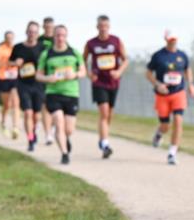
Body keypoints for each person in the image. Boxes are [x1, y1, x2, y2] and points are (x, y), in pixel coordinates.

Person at [37, 25, 85, 165]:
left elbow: (83, 72)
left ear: (66, 36)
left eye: (63, 35)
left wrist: (74, 74)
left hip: (71, 93)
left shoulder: (74, 53)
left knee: (69, 129)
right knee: (58, 121)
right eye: (57, 35)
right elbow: (38, 75)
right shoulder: (47, 54)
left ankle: (65, 138)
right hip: (53, 93)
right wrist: (48, 78)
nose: (60, 38)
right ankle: (64, 153)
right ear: (54, 36)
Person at [83, 14, 128, 159]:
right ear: (97, 27)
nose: (103, 29)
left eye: (106, 26)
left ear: (109, 27)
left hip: (113, 82)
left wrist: (119, 71)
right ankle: (105, 145)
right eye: (101, 26)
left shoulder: (116, 41)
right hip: (99, 82)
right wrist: (89, 74)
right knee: (104, 112)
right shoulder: (91, 43)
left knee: (109, 114)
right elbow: (82, 61)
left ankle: (102, 138)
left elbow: (126, 59)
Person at [146, 30, 194, 165]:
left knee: (178, 120)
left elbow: (187, 70)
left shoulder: (182, 55)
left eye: (174, 39)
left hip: (178, 93)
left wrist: (190, 84)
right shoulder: (158, 56)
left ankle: (172, 153)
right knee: (165, 125)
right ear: (165, 39)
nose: (172, 41)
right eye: (170, 39)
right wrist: (157, 84)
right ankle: (159, 133)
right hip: (162, 95)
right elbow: (148, 73)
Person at [10, 21, 46, 152]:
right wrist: (15, 62)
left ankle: (34, 131)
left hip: (38, 84)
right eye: (30, 32)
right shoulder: (18, 47)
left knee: (36, 116)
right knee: (27, 113)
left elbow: (47, 64)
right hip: (23, 84)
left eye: (35, 32)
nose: (32, 34)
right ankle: (30, 139)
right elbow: (10, 62)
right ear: (26, 32)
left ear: (38, 34)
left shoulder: (42, 48)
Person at [0, 30, 21, 139]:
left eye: (11, 37)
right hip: (3, 77)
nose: (10, 39)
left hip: (15, 78)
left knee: (16, 103)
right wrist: (10, 63)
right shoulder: (0, 50)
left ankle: (15, 127)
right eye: (8, 37)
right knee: (7, 105)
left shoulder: (17, 49)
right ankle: (2, 121)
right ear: (5, 38)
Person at [39, 17, 57, 145]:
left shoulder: (59, 39)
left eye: (51, 26)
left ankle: (55, 126)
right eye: (47, 26)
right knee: (45, 105)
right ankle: (48, 134)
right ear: (43, 26)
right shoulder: (39, 40)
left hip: (57, 77)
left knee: (56, 105)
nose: (49, 28)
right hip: (43, 77)